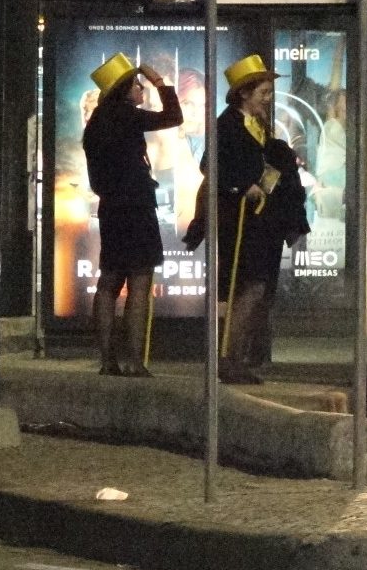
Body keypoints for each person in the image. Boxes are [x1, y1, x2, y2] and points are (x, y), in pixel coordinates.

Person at [183, 54, 310, 384]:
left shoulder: (259, 126)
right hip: (239, 220)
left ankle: (239, 355)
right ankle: (228, 358)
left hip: (262, 221)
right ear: (243, 93)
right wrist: (243, 185)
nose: (268, 99)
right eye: (263, 93)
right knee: (247, 288)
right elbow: (211, 166)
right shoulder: (226, 126)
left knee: (260, 288)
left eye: (269, 92)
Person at [81, 53, 182, 377]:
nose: (142, 90)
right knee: (140, 283)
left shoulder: (97, 121)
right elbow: (173, 116)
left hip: (111, 208)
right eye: (138, 85)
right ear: (125, 89)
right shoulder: (128, 116)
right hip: (137, 207)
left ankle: (108, 360)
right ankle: (135, 361)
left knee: (109, 281)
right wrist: (160, 81)